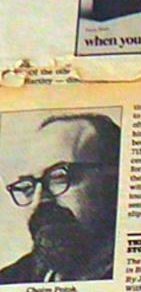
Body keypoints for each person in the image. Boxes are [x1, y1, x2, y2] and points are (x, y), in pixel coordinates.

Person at [0, 113, 120, 282]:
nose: (39, 199)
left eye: (58, 177)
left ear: (113, 181)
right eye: (27, 186)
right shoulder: (9, 279)